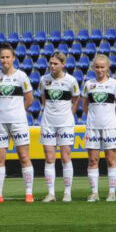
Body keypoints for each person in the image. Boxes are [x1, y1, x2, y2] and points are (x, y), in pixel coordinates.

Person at [0, 44, 35, 203]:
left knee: (24, 156)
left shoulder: (21, 76)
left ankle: (29, 193)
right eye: (2, 57)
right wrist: (1, 110)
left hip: (18, 122)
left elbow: (30, 99)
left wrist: (17, 111)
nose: (5, 60)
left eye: (8, 57)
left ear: (13, 58)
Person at [38, 51, 80, 202]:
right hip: (48, 122)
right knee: (49, 157)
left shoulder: (71, 81)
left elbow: (76, 99)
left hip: (65, 123)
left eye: (55, 63)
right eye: (50, 63)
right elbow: (43, 99)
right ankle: (51, 194)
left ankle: (67, 193)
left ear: (63, 64)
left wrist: (69, 115)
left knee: (65, 156)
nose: (52, 66)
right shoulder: (44, 80)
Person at [82, 54, 116, 202]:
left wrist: (112, 118)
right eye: (97, 67)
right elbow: (85, 105)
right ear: (93, 68)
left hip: (109, 127)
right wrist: (92, 117)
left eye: (102, 67)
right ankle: (94, 193)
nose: (99, 70)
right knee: (93, 160)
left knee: (111, 159)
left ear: (107, 68)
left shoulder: (114, 84)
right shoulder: (88, 84)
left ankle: (112, 192)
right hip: (92, 127)